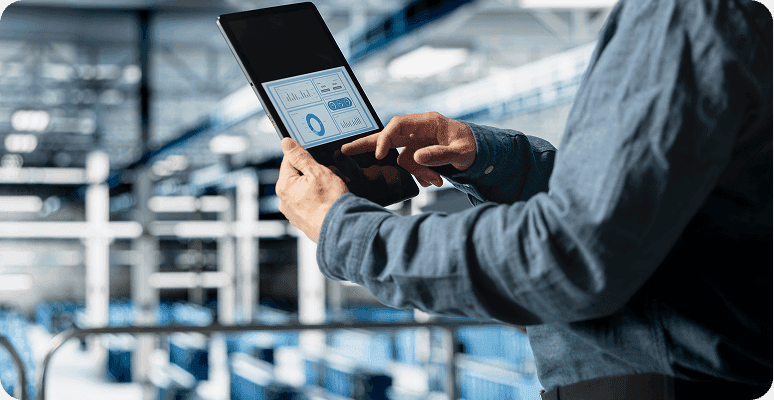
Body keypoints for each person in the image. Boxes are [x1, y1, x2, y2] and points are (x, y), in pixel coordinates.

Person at [275, 0, 772, 398]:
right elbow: (635, 209)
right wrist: (489, 156)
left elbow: (570, 254)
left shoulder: (692, 14)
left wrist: (351, 235)